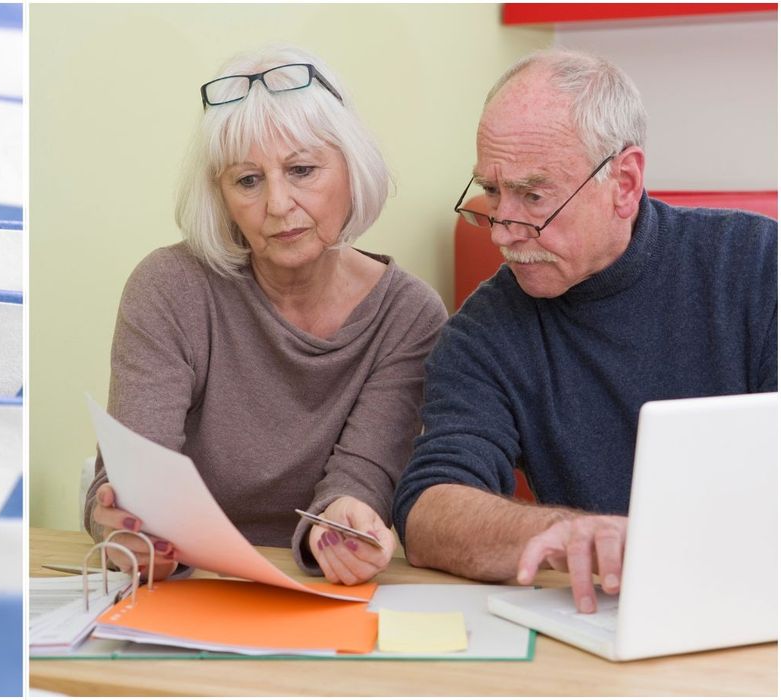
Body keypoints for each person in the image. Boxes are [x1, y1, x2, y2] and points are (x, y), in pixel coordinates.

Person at [393, 49, 778, 612]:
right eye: (492, 193)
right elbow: (428, 511)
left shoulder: (758, 266)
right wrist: (570, 535)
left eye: (533, 196)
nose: (501, 232)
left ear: (624, 182)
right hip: (605, 618)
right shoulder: (482, 331)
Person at [83, 45, 447, 585]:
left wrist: (347, 525)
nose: (277, 204)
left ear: (353, 169)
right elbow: (129, 480)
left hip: (319, 588)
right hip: (187, 586)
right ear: (221, 196)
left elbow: (359, 482)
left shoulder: (409, 316)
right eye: (247, 180)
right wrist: (121, 524)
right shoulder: (169, 288)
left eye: (302, 170)